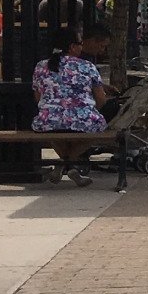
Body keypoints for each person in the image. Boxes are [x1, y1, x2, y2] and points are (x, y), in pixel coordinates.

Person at [32, 25, 118, 184]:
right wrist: (88, 111)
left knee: (53, 127)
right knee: (98, 126)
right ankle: (68, 163)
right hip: (82, 119)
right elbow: (101, 99)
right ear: (72, 47)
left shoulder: (40, 66)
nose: (81, 46)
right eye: (79, 43)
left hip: (47, 120)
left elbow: (38, 98)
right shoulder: (87, 66)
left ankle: (64, 165)